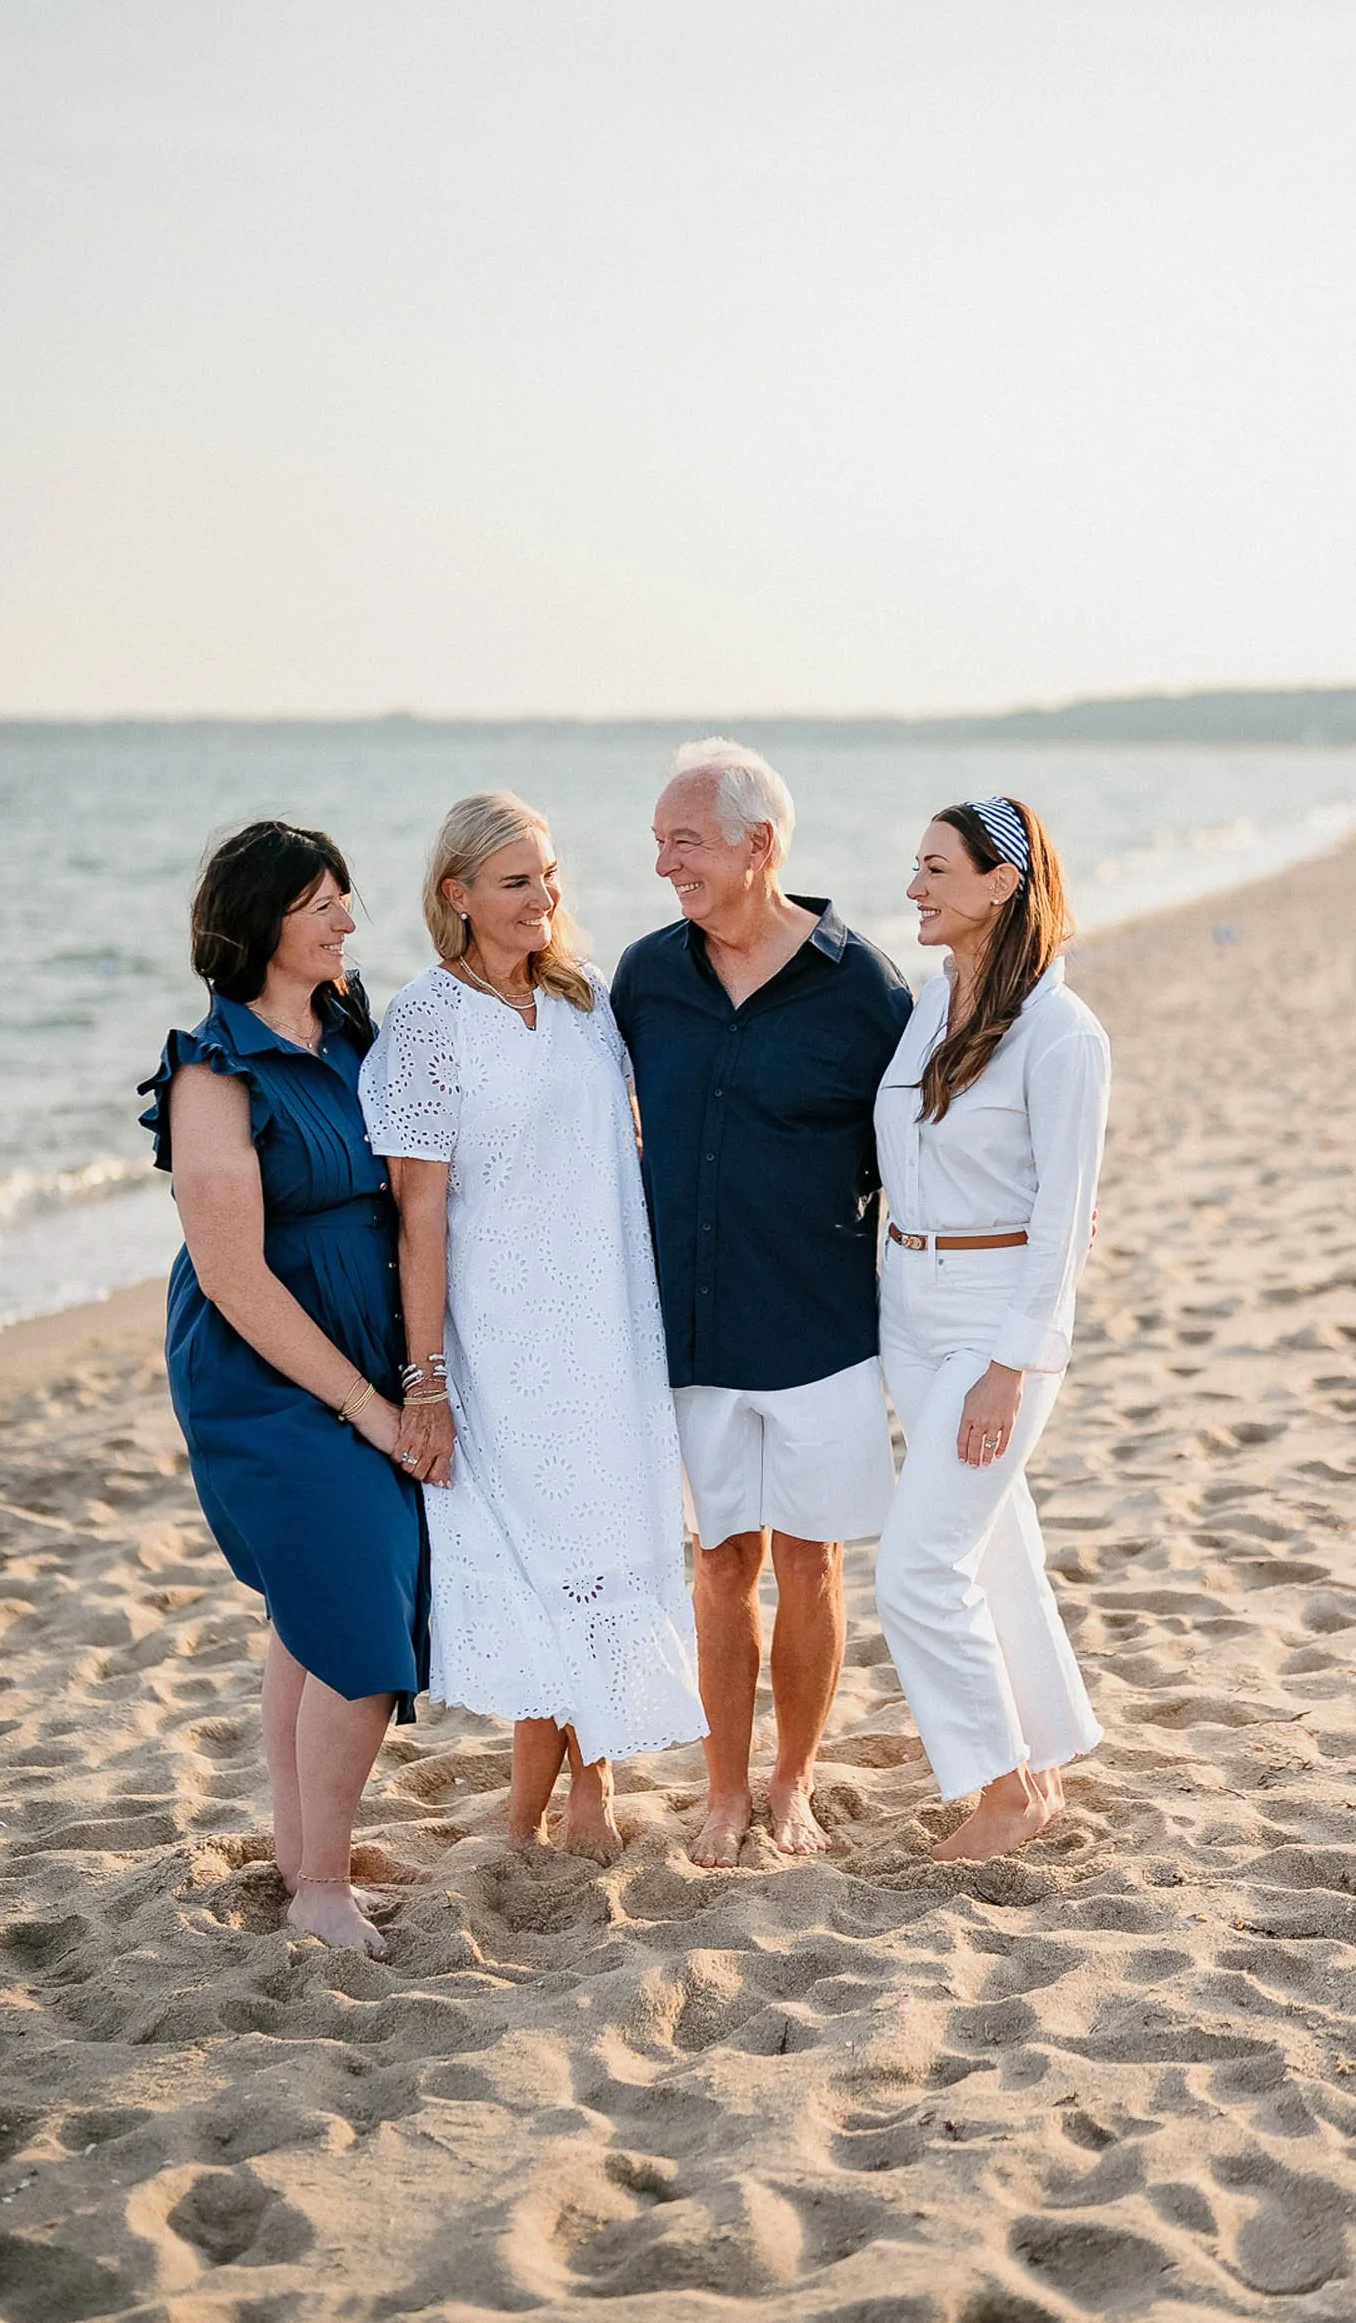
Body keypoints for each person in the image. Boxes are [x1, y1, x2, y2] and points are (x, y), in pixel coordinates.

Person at [358, 791, 705, 1856]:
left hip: (606, 1328)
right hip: (499, 1341)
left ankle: (591, 1788)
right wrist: (424, 1381)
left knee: (600, 1548)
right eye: (515, 882)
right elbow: (417, 1218)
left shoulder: (587, 1000)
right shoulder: (426, 1019)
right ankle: (521, 1816)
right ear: (455, 895)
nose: (542, 898)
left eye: (549, 876)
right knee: (536, 1562)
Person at [610, 739, 913, 1866]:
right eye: (657, 843)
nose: (663, 865)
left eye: (682, 842)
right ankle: (725, 1791)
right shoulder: (645, 976)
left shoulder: (864, 988)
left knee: (810, 1563)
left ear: (758, 844)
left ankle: (794, 1781)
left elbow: (918, 1152)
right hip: (686, 1329)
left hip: (822, 1330)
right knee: (720, 1562)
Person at [138, 821, 427, 1962]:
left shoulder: (359, 1033)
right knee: (360, 1615)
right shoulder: (214, 1070)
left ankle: (305, 1856)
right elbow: (233, 1274)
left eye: (347, 898)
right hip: (265, 1374)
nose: (348, 919)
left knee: (312, 1613)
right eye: (322, 903)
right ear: (260, 924)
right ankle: (316, 1888)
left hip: (370, 1352)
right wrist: (367, 1404)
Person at [873, 796, 1107, 1862]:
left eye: (935, 869)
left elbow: (1063, 1220)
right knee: (994, 1544)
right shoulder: (930, 1002)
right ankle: (1043, 1753)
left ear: (1000, 883)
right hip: (907, 1311)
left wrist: (1010, 1366)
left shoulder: (1063, 1032)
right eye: (914, 869)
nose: (914, 887)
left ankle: (1001, 1792)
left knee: (918, 1566)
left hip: (993, 1322)